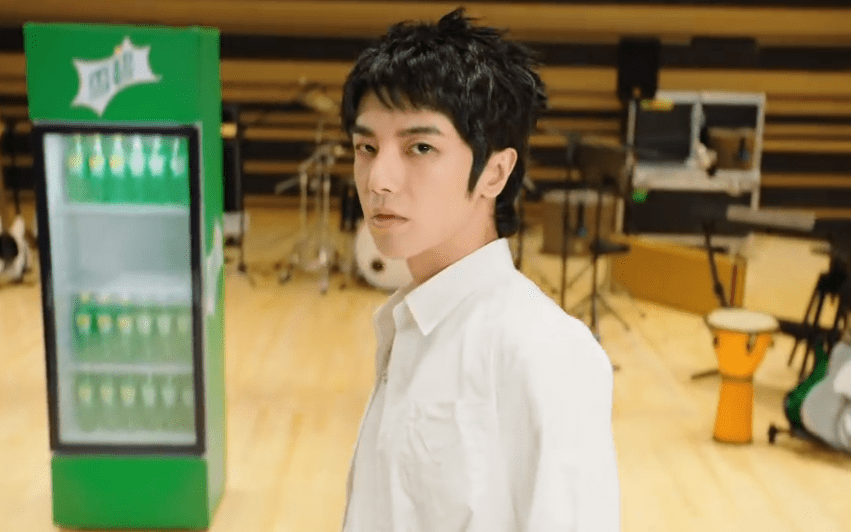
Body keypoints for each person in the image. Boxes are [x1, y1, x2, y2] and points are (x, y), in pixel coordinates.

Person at [339, 7, 619, 531]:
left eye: (420, 147)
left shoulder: (543, 351)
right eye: (366, 147)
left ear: (494, 171)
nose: (378, 179)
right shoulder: (407, 325)